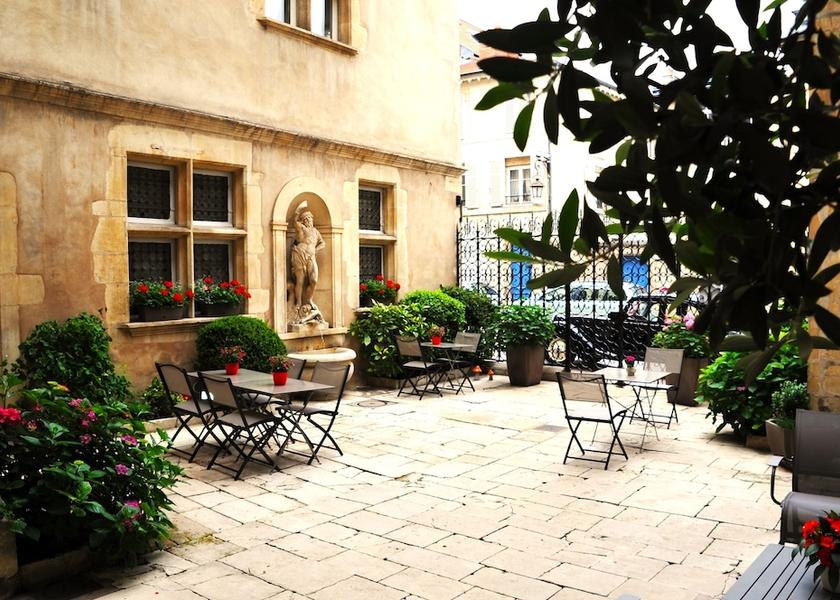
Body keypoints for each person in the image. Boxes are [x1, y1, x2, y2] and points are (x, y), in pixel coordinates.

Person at [290, 204, 325, 322]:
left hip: (311, 257)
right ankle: (299, 302)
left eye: (309, 218)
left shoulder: (316, 232)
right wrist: (298, 209)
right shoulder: (301, 228)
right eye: (305, 219)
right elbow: (295, 220)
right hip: (300, 254)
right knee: (300, 280)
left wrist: (316, 249)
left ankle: (309, 299)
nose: (308, 220)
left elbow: (322, 243)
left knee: (314, 280)